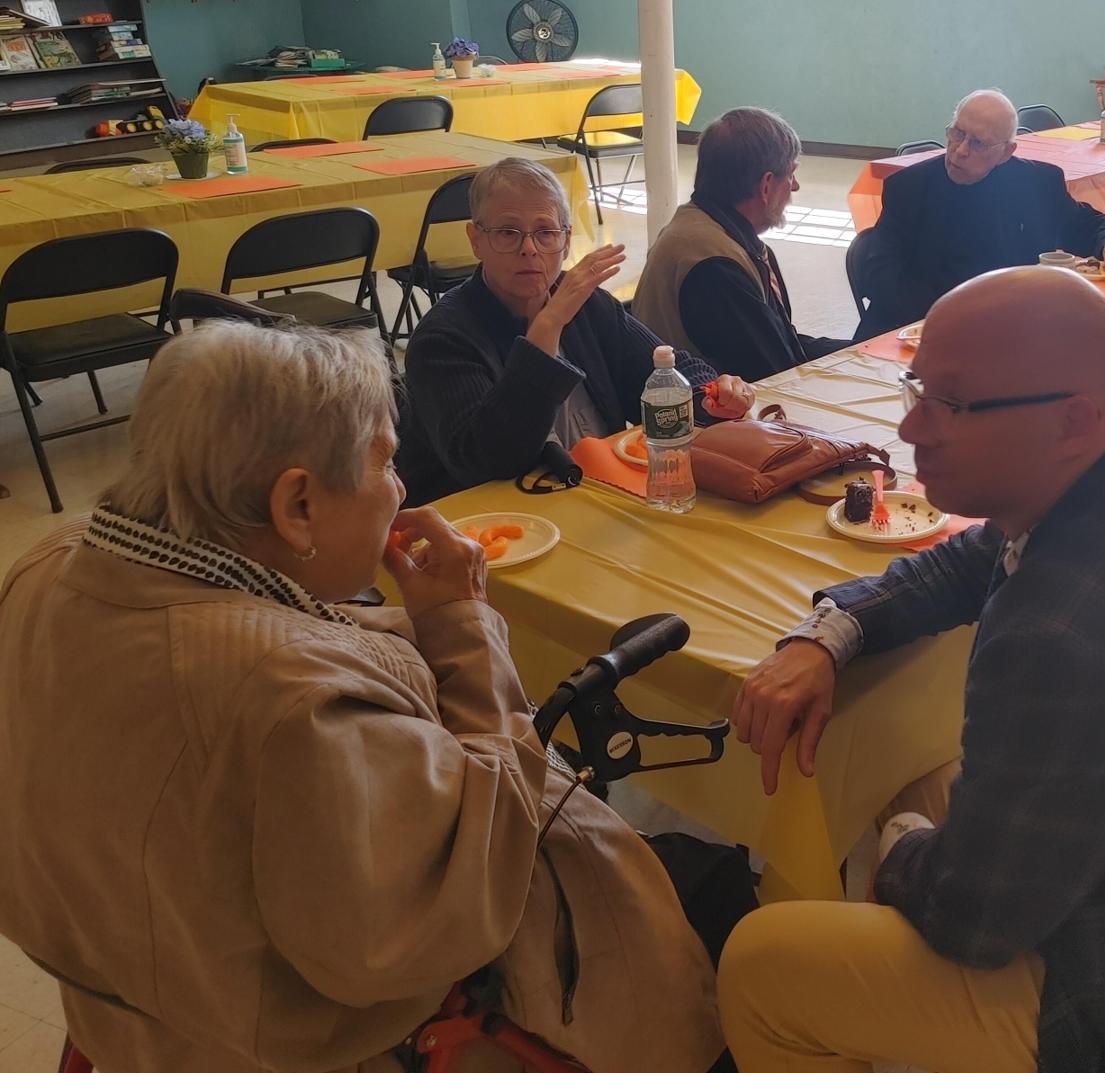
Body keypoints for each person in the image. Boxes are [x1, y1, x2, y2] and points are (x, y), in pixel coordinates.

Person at [0, 321, 726, 1073]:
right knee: (693, 886)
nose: (401, 488)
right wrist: (462, 626)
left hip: (122, 998)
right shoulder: (297, 702)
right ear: (298, 507)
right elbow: (462, 896)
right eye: (385, 460)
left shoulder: (44, 566)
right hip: (295, 1032)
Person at [717, 267, 1105, 1073]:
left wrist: (901, 850)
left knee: (761, 964)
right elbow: (964, 562)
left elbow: (974, 922)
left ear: (1073, 418)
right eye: (916, 387)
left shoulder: (1057, 632)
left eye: (952, 404)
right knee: (907, 770)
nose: (910, 426)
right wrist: (826, 634)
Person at [398, 157, 755, 506]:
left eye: (545, 232)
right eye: (507, 233)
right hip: (492, 522)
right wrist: (547, 329)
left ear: (567, 240)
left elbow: (666, 371)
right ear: (475, 239)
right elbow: (487, 462)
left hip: (599, 496)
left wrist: (712, 396)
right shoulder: (443, 339)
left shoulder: (587, 304)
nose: (529, 249)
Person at [853, 90, 1105, 337]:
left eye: (978, 143)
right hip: (919, 331)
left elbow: (1087, 225)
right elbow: (880, 278)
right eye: (957, 134)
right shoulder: (909, 187)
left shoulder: (1037, 183)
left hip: (1010, 332)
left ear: (1007, 152)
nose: (960, 150)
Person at [633, 106, 851, 381]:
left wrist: (866, 347)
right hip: (712, 407)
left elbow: (784, 346)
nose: (794, 186)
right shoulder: (714, 266)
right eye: (790, 175)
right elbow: (776, 373)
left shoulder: (708, 230)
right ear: (766, 185)